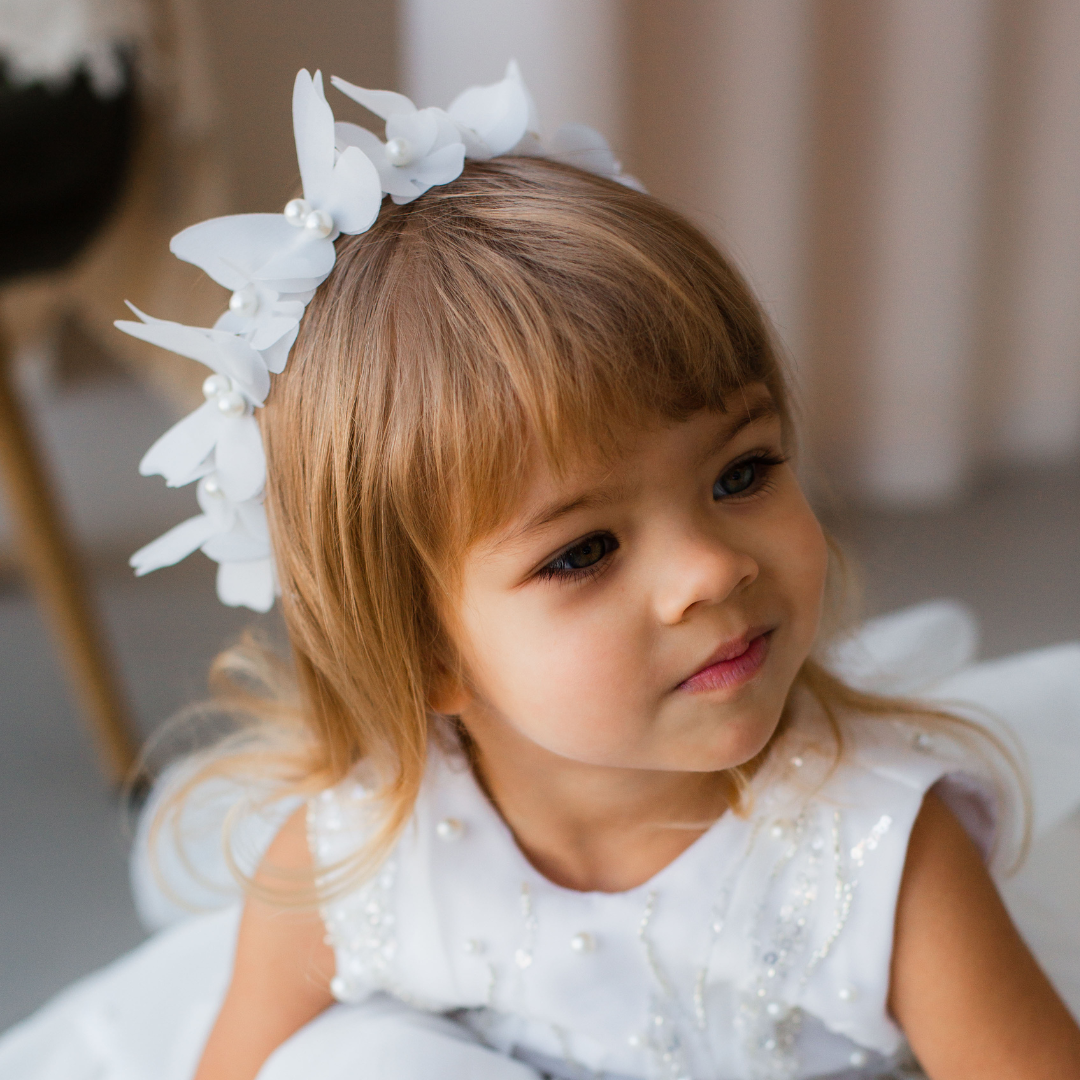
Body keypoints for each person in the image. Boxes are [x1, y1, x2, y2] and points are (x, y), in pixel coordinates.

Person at [2, 63, 1080, 1080]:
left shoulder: (883, 860)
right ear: (427, 655)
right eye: (583, 551)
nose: (709, 569)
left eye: (742, 470)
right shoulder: (356, 867)